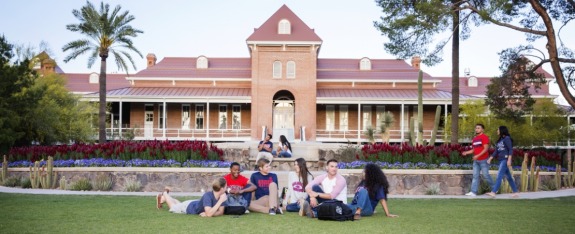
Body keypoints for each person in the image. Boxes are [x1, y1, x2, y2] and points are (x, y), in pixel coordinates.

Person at [156, 178, 228, 217]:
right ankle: (165, 192)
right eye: (226, 187)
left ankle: (164, 198)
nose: (227, 188)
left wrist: (208, 213)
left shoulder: (222, 196)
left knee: (179, 204)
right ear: (221, 189)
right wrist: (220, 201)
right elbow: (209, 214)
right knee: (172, 207)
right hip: (189, 207)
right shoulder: (208, 196)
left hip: (195, 203)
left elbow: (220, 212)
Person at [486, 126, 519, 198]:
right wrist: (490, 158)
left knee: (499, 175)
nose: (497, 131)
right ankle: (515, 192)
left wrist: (509, 160)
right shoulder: (500, 140)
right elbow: (496, 151)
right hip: (501, 160)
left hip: (505, 159)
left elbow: (510, 149)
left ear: (502, 130)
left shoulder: (507, 138)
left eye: (498, 129)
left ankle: (493, 192)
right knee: (509, 177)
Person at [462, 124, 494, 196]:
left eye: (478, 128)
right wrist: (466, 152)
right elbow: (474, 150)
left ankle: (494, 188)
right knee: (475, 176)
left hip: (483, 160)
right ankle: (473, 192)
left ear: (482, 129)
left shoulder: (484, 137)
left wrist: (477, 156)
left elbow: (486, 149)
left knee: (486, 175)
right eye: (476, 128)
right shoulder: (474, 139)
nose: (477, 129)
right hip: (476, 161)